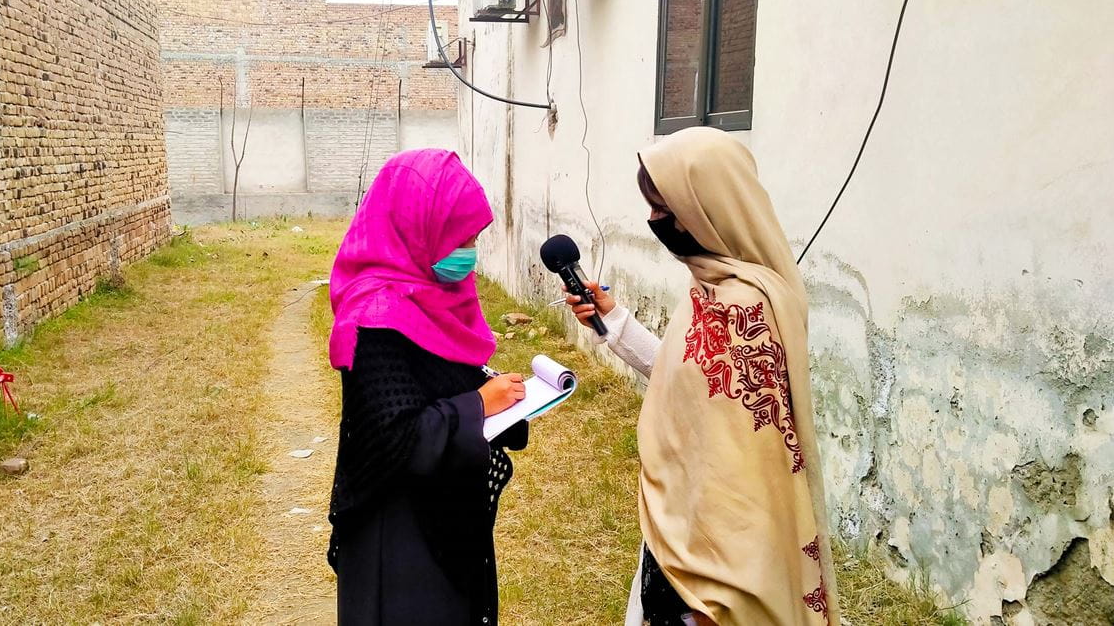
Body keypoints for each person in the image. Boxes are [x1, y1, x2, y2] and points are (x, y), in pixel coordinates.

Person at [566, 128, 838, 625]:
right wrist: (617, 322)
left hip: (714, 577)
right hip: (680, 536)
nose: (652, 222)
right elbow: (689, 377)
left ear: (706, 209)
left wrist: (716, 604)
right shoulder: (711, 286)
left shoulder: (745, 308)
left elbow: (748, 476)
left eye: (663, 211)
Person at [327, 149, 529, 625]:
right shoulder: (373, 316)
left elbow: (448, 377)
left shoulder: (442, 293)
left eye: (474, 237)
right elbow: (396, 437)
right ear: (415, 226)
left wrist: (499, 398)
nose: (468, 252)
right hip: (397, 527)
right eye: (459, 238)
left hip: (447, 506)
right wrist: (479, 405)